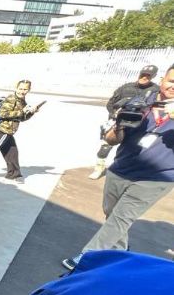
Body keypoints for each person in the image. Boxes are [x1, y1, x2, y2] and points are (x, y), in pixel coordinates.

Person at [62, 64, 174, 271]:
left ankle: (87, 257)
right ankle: (120, 252)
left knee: (122, 217)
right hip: (122, 167)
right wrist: (118, 126)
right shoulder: (143, 102)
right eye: (172, 81)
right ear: (163, 81)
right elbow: (113, 139)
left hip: (157, 177)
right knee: (111, 213)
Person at [89, 65, 159, 180]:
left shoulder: (155, 90)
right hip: (118, 123)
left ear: (153, 77)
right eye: (143, 75)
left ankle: (125, 171)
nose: (145, 77)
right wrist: (113, 114)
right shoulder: (126, 87)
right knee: (106, 145)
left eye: (148, 76)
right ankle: (99, 168)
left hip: (139, 125)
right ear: (139, 74)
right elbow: (111, 103)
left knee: (134, 150)